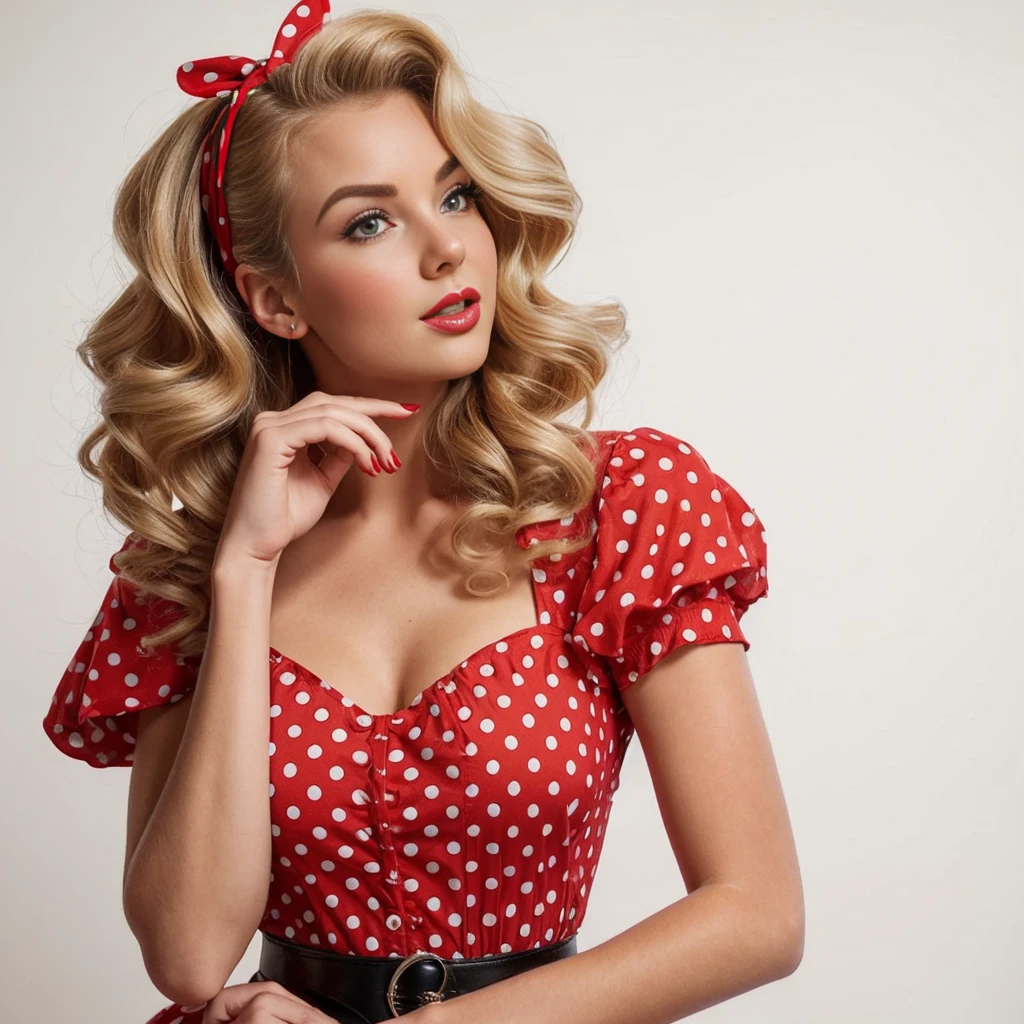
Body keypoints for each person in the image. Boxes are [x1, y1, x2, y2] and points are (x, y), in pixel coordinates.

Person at [41, 2, 802, 1021]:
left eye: (454, 195)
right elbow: (187, 955)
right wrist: (246, 569)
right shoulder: (198, 558)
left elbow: (756, 914)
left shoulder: (621, 505)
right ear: (276, 300)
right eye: (370, 221)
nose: (447, 249)